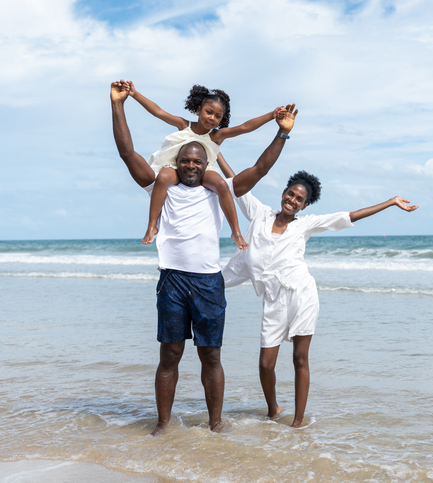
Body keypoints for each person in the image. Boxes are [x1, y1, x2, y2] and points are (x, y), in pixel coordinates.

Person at [110, 80, 298, 433]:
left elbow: (258, 170)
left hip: (209, 282)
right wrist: (119, 104)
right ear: (177, 162)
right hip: (173, 281)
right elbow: (127, 153)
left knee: (211, 356)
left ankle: (216, 423)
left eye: (198, 161)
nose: (192, 165)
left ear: (205, 163)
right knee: (169, 356)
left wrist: (281, 134)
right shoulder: (160, 186)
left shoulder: (218, 189)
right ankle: (163, 424)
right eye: (186, 160)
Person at [221, 168, 418, 427]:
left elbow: (348, 216)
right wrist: (215, 148)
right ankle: (273, 409)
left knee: (300, 358)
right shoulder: (259, 214)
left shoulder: (305, 224)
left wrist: (391, 202)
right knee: (265, 364)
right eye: (290, 194)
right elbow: (238, 182)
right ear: (283, 193)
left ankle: (298, 422)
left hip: (302, 294)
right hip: (273, 298)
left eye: (298, 199)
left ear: (304, 205)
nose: (292, 200)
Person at [120, 80, 285, 249]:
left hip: (204, 169)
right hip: (175, 165)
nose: (212, 118)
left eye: (217, 116)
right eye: (209, 112)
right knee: (162, 178)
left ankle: (236, 231)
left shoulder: (217, 136)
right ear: (199, 110)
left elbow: (245, 127)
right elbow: (158, 112)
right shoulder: (184, 125)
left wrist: (271, 115)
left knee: (222, 184)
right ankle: (152, 226)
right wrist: (135, 94)